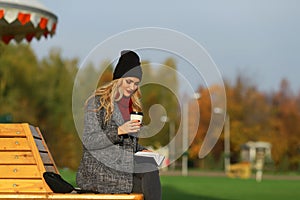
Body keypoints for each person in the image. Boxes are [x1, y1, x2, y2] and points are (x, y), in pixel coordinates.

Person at [76, 50, 162, 200]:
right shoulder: (98, 103)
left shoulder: (132, 107)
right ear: (118, 79)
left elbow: (129, 145)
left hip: (122, 168)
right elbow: (89, 141)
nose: (132, 87)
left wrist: (143, 151)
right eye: (128, 81)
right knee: (148, 170)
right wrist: (120, 130)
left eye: (136, 83)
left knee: (148, 171)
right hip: (99, 170)